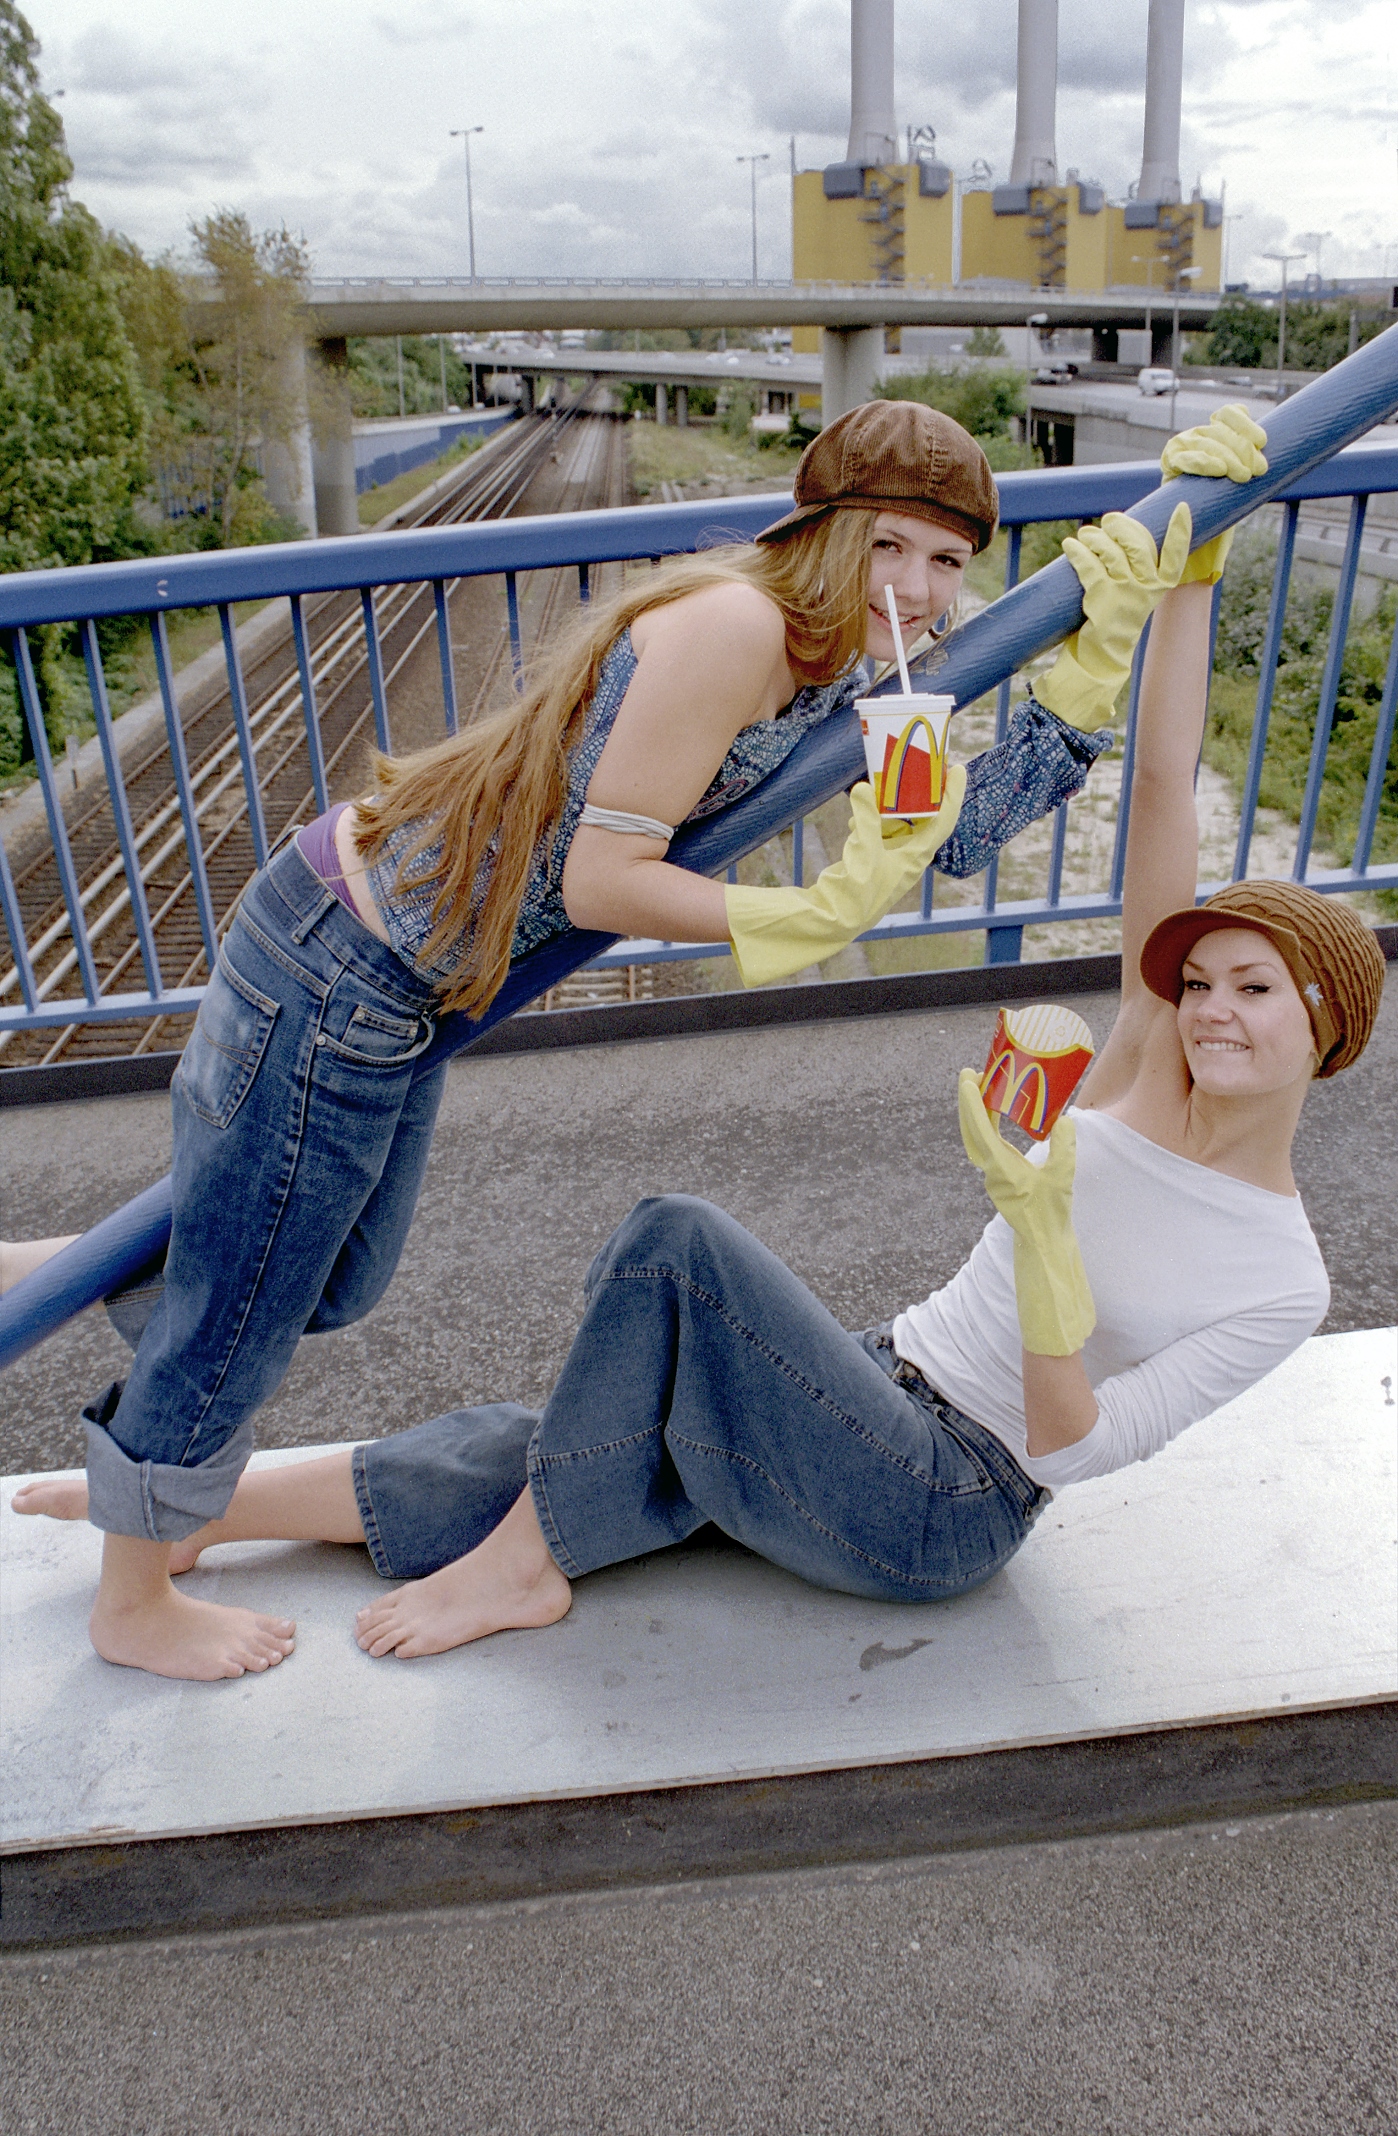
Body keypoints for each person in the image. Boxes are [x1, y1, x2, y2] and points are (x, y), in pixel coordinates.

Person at [24, 406, 1383, 1664]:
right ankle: (189, 1513)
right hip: (393, 980)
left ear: (1331, 1028)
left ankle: (464, 1555)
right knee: (373, 1341)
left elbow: (954, 831)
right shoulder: (1137, 1045)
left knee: (544, 1264)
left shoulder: (1277, 1275)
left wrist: (1039, 1246)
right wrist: (1185, 574)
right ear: (823, 533)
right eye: (1203, 979)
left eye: (1254, 993)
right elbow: (1152, 797)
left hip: (938, 1496)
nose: (1209, 1007)